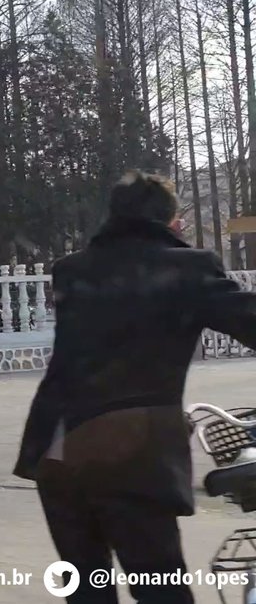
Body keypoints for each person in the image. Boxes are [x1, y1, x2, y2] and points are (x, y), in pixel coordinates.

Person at [15, 171, 256, 604]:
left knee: (87, 592)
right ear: (172, 220)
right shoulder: (187, 269)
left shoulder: (72, 270)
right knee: (159, 589)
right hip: (128, 450)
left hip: (54, 448)